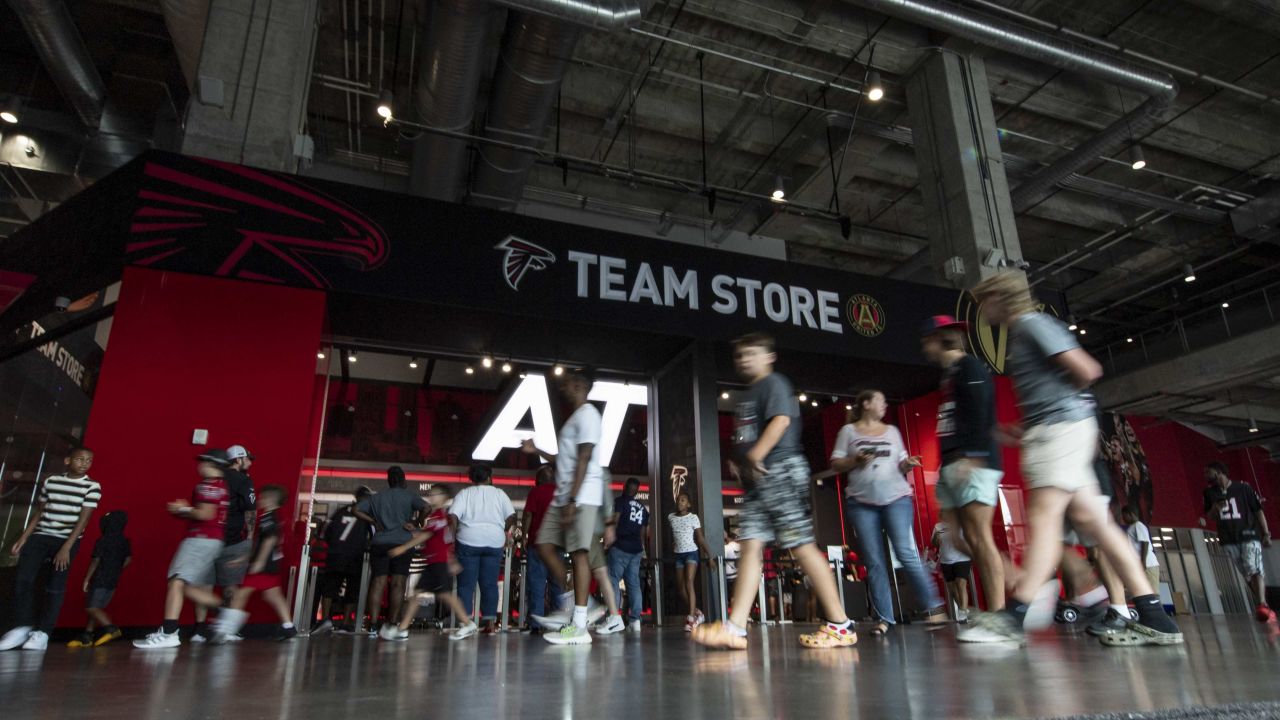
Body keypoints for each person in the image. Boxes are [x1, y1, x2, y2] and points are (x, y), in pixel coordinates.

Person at [967, 272, 1181, 646]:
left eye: (984, 301)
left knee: (1045, 519)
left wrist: (1059, 412)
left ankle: (1014, 616)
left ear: (1000, 297)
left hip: (1059, 430)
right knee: (1098, 525)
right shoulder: (1023, 332)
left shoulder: (1031, 324)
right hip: (1057, 428)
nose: (981, 310)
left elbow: (1087, 370)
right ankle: (1154, 616)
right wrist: (1031, 423)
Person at [693, 332, 856, 650]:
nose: (744, 359)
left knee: (801, 545)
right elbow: (751, 437)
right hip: (759, 481)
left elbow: (781, 421)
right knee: (750, 547)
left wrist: (755, 455)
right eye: (740, 355)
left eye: (751, 353)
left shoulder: (774, 384)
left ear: (769, 356)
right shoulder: (749, 394)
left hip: (780, 471)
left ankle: (840, 624)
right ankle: (736, 628)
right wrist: (741, 462)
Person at [832, 389, 947, 633]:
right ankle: (885, 618)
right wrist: (856, 460)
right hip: (861, 502)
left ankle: (933, 608)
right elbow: (836, 463)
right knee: (874, 561)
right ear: (866, 403)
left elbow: (901, 462)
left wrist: (908, 464)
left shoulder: (893, 431)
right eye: (880, 400)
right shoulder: (848, 432)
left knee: (906, 552)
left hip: (896, 498)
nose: (885, 405)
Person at [920, 315, 1007, 629]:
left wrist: (975, 456)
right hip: (954, 464)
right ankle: (1013, 579)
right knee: (958, 538)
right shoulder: (951, 375)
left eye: (928, 339)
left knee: (979, 538)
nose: (924, 346)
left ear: (940, 339)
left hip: (973, 463)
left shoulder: (969, 367)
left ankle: (999, 617)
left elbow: (982, 411)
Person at [522, 367, 608, 645]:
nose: (564, 388)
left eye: (570, 383)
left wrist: (573, 499)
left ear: (582, 386)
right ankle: (574, 603)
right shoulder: (574, 418)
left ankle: (581, 624)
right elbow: (565, 459)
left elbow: (584, 457)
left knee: (579, 554)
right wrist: (538, 452)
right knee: (543, 545)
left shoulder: (589, 415)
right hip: (564, 496)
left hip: (581, 495)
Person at [0, 448, 101, 652]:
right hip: (41, 536)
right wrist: (24, 538)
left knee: (55, 587)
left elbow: (84, 521)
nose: (84, 463)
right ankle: (22, 626)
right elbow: (40, 512)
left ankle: (43, 632)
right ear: (67, 460)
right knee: (23, 579)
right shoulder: (52, 481)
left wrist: (66, 548)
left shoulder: (92, 486)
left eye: (88, 461)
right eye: (80, 459)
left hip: (66, 540)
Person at [134, 450, 235, 649]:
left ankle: (170, 632)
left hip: (200, 540)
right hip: (210, 540)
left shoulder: (209, 486)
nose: (199, 465)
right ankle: (225, 612)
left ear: (210, 464)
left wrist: (183, 509)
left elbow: (206, 514)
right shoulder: (221, 486)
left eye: (202, 462)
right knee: (184, 586)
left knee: (176, 581)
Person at [383, 485, 474, 640]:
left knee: (445, 595)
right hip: (434, 561)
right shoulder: (439, 517)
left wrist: (403, 548)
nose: (431, 497)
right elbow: (437, 537)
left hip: (438, 562)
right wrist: (416, 531)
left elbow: (426, 536)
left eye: (435, 494)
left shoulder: (439, 516)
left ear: (444, 497)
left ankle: (467, 623)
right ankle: (402, 629)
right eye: (430, 494)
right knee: (418, 594)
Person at [214, 485, 297, 642]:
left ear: (270, 499)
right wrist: (244, 559)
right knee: (273, 595)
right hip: (272, 563)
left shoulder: (267, 517)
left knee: (241, 593)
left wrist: (258, 562)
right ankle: (288, 627)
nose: (259, 500)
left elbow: (269, 540)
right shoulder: (276, 517)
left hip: (264, 564)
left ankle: (226, 630)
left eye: (262, 497)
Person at [193, 443, 256, 643]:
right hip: (234, 541)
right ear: (238, 459)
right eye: (247, 459)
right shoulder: (244, 480)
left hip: (208, 537)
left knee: (205, 584)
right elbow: (250, 509)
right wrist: (250, 536)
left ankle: (200, 630)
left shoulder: (213, 477)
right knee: (231, 587)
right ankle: (226, 628)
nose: (249, 463)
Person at [353, 466, 427, 633]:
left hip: (379, 543)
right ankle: (392, 624)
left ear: (388, 480)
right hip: (402, 543)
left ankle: (372, 624)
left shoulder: (377, 497)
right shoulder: (409, 496)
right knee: (398, 583)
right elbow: (427, 508)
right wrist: (417, 522)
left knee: (378, 582)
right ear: (403, 480)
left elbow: (355, 509)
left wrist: (373, 521)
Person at [448, 464, 516, 635]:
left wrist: (454, 535)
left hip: (468, 541)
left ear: (471, 478)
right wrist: (502, 530)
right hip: (494, 542)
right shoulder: (500, 494)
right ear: (489, 477)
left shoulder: (464, 494)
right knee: (489, 584)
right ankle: (490, 624)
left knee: (466, 584)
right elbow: (512, 516)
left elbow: (453, 516)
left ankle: (466, 623)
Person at [1203, 461, 1274, 622]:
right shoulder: (1209, 493)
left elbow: (1258, 510)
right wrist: (1216, 508)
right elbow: (1211, 516)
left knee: (1253, 566)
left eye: (1208, 472)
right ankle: (1263, 604)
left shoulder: (1243, 488)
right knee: (1247, 574)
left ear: (1219, 472)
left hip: (1248, 534)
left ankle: (1262, 603)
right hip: (1228, 538)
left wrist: (1266, 534)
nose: (1206, 476)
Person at [67, 511, 131, 648]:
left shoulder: (103, 540)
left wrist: (86, 578)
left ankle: (111, 628)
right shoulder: (124, 541)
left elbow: (95, 561)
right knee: (98, 606)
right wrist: (117, 569)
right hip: (113, 579)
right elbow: (128, 559)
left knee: (91, 607)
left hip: (100, 577)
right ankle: (87, 635)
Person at [315, 486, 373, 634]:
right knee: (352, 589)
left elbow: (326, 533)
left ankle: (325, 620)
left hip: (335, 554)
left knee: (330, 589)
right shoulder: (367, 515)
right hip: (355, 556)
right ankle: (347, 622)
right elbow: (372, 537)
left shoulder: (340, 511)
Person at [520, 465, 561, 632]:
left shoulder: (535, 492)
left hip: (537, 544)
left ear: (539, 479)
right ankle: (557, 622)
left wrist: (524, 535)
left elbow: (529, 514)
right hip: (557, 544)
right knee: (556, 585)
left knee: (536, 584)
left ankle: (536, 623)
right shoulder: (560, 493)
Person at [608, 477, 649, 631]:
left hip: (620, 546)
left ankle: (614, 617)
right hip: (636, 550)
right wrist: (644, 551)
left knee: (612, 581)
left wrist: (608, 540)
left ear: (624, 487)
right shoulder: (642, 508)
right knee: (634, 585)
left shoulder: (620, 501)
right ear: (637, 491)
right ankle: (635, 621)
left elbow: (616, 520)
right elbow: (643, 534)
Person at [668, 492, 712, 632]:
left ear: (688, 504)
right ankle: (698, 612)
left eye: (683, 500)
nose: (680, 502)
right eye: (678, 500)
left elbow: (700, 538)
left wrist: (709, 556)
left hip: (691, 553)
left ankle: (691, 618)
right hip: (678, 554)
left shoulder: (693, 517)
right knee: (681, 589)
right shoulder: (671, 517)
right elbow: (675, 535)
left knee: (689, 581)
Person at [931, 519, 971, 623]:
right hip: (946, 561)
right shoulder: (938, 526)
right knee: (953, 589)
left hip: (962, 558)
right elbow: (934, 544)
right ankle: (964, 610)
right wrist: (936, 538)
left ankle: (962, 613)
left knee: (961, 583)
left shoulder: (961, 522)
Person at [1122, 506, 1162, 599]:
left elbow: (1145, 542)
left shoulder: (1138, 525)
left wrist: (1143, 562)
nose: (1123, 519)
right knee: (1138, 591)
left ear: (1130, 514)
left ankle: (1157, 612)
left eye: (1124, 516)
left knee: (1153, 593)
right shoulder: (1132, 527)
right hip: (1140, 565)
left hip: (1148, 565)